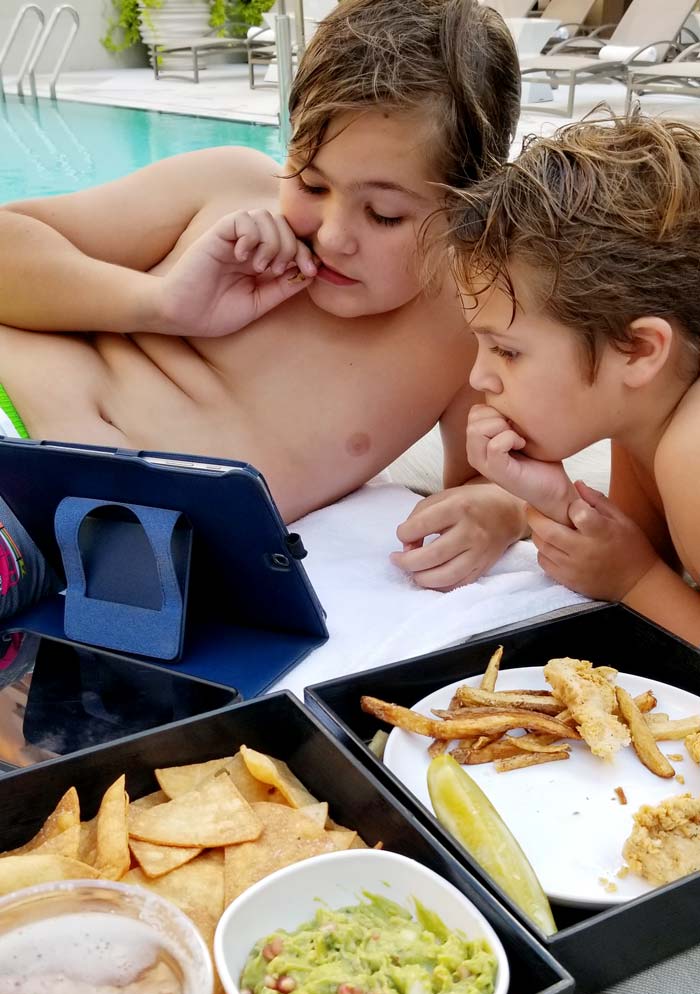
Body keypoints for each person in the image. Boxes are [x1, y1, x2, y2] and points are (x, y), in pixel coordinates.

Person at [0, 0, 529, 618]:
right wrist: (162, 305)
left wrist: (502, 511)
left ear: (468, 209)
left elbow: (495, 476)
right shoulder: (227, 189)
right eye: (310, 183)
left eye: (384, 214)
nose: (332, 234)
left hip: (102, 547)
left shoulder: (467, 326)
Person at [447, 112, 700, 645]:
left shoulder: (691, 450)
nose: (479, 376)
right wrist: (558, 501)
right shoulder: (643, 412)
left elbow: (638, 568)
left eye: (507, 351)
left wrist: (635, 581)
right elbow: (632, 543)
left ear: (638, 350)